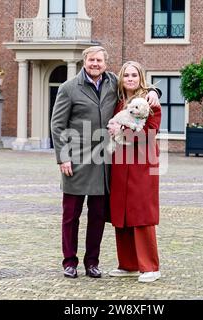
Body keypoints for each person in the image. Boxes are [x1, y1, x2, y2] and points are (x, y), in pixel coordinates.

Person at [50, 47, 160, 279]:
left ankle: (92, 262)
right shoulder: (68, 88)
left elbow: (137, 84)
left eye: (99, 60)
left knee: (98, 215)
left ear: (106, 64)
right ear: (85, 61)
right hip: (77, 161)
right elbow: (57, 125)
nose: (95, 64)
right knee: (71, 215)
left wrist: (154, 91)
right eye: (91, 60)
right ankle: (69, 262)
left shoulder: (113, 83)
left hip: (105, 162)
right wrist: (63, 157)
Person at [107, 61, 162, 283]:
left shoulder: (150, 102)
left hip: (143, 162)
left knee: (142, 212)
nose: (130, 79)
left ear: (141, 78)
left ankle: (150, 266)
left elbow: (149, 133)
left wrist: (122, 130)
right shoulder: (117, 101)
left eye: (134, 75)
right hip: (120, 161)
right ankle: (128, 264)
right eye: (126, 75)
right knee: (122, 212)